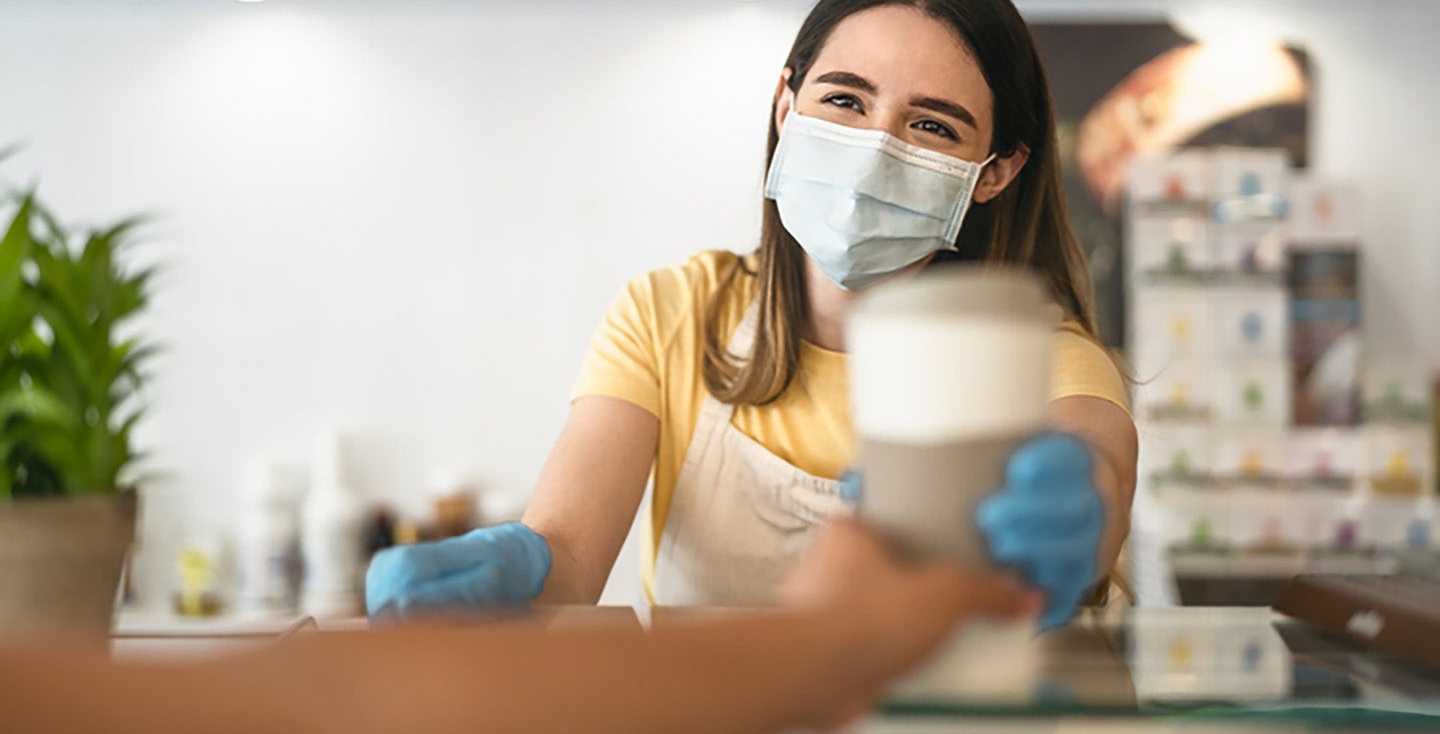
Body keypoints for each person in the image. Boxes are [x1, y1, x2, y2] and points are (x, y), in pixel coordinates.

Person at [367, 0, 1137, 629]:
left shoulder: (1043, 358)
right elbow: (567, 556)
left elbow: (1096, 459)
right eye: (844, 99)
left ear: (995, 171)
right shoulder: (673, 313)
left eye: (931, 126)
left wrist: (1084, 511)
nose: (874, 151)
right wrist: (517, 569)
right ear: (785, 104)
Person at [4, 521, 1040, 734]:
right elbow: (346, 705)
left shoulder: (1050, 343)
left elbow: (343, 702)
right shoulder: (678, 306)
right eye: (845, 100)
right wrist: (832, 639)